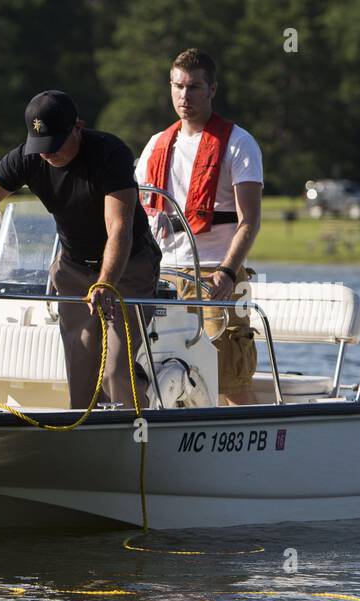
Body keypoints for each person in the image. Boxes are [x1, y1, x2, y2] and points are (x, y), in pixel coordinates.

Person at [0, 90, 161, 410]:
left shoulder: (109, 153)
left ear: (78, 126)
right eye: (41, 145)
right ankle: (86, 450)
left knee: (117, 373)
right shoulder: (27, 157)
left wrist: (106, 282)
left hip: (128, 267)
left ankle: (138, 437)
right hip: (74, 268)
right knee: (82, 388)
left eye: (55, 144)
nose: (48, 154)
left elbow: (118, 228)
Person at [136, 48, 264, 405]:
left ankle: (250, 452)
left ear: (212, 90)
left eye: (194, 87)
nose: (184, 96)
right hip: (164, 278)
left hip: (215, 276)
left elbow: (249, 221)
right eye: (178, 86)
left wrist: (227, 272)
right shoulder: (155, 146)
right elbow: (138, 215)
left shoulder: (239, 144)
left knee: (229, 379)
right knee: (161, 376)